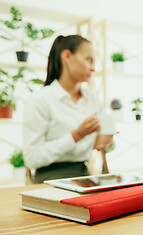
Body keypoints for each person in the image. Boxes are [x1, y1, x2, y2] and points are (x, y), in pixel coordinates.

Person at [23, 35, 114, 183]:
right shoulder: (40, 100)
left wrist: (107, 139)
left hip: (85, 175)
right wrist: (76, 135)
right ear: (67, 56)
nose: (93, 67)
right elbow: (32, 159)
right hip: (50, 179)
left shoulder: (92, 99)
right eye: (89, 59)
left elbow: (103, 146)